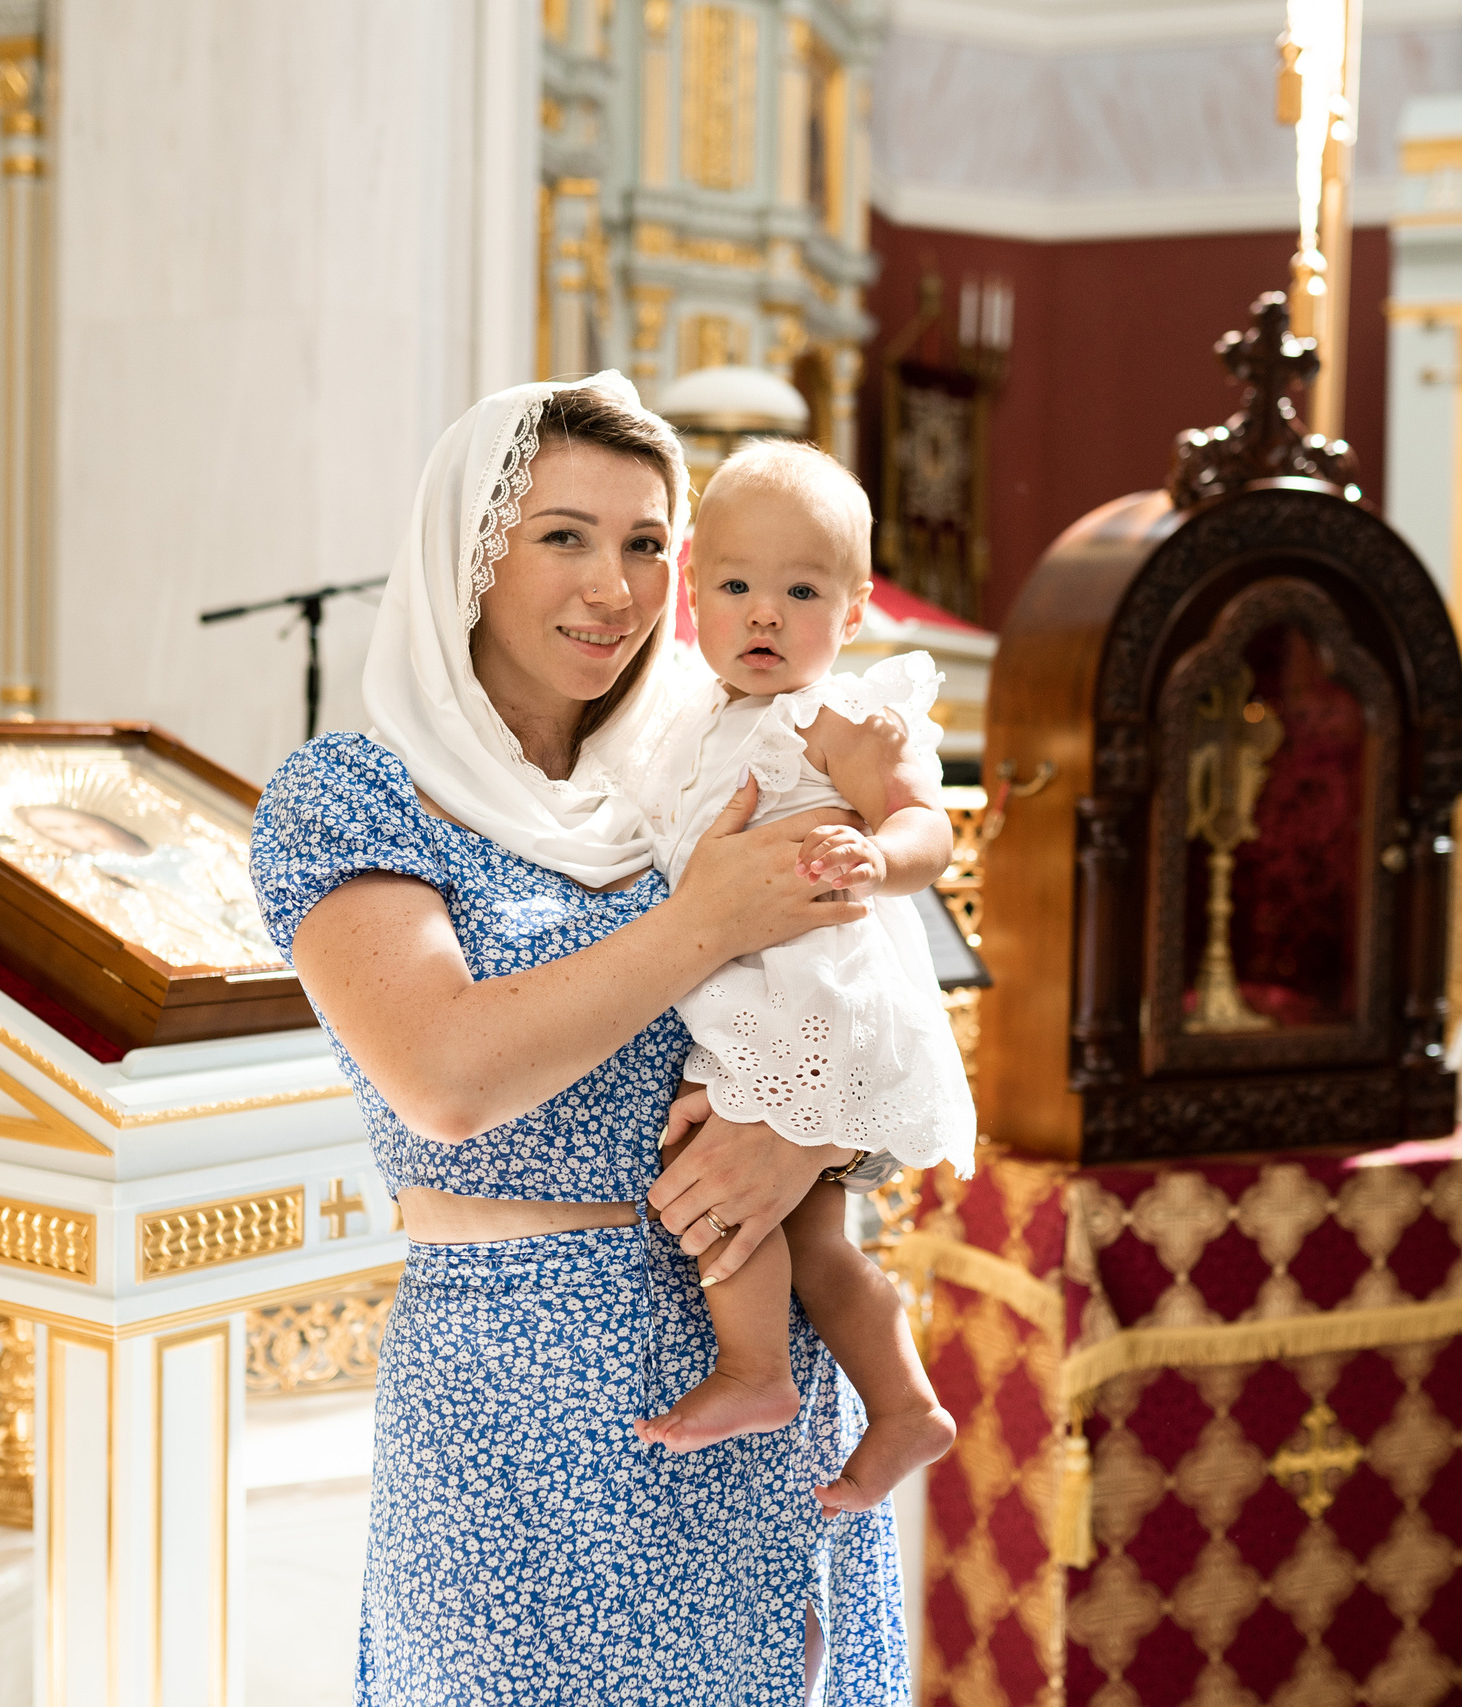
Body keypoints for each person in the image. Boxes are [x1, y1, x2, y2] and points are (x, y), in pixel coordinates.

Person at [249, 373, 910, 1703]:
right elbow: (446, 1075)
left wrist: (806, 1140)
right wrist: (707, 916)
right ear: (471, 555)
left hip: (759, 1376)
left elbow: (872, 1002)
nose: (614, 586)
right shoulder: (353, 796)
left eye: (648, 543)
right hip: (515, 1391)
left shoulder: (711, 769)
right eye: (564, 536)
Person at [624, 439, 971, 1516]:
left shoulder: (839, 717)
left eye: (802, 591)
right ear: (693, 592)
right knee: (812, 1235)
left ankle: (755, 1369)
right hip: (750, 991)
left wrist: (880, 855)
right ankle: (900, 1404)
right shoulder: (689, 721)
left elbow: (927, 826)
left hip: (815, 997)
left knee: (715, 1168)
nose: (764, 613)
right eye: (735, 586)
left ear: (855, 611)